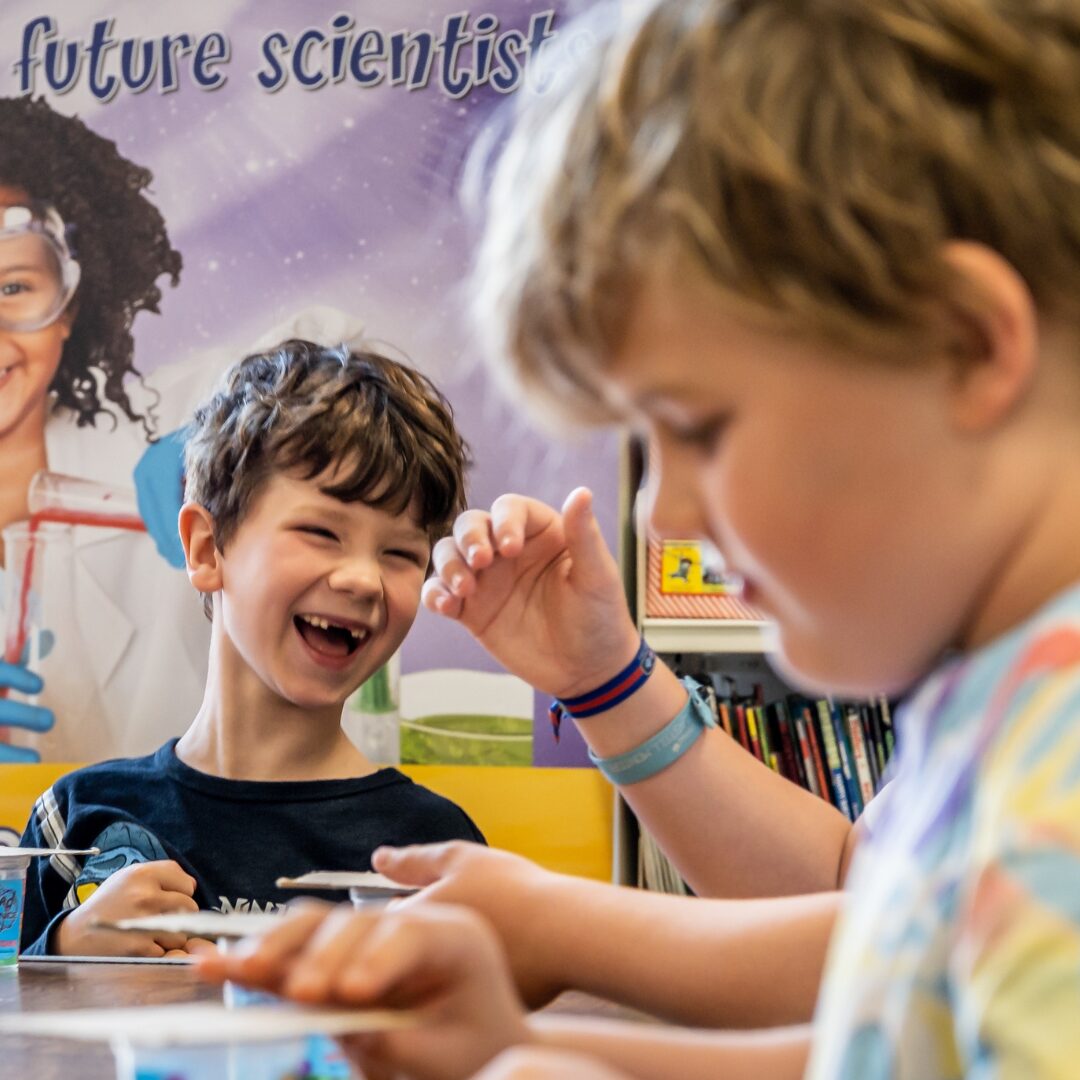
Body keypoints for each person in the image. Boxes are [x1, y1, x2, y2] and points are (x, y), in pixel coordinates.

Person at [203, 0, 1080, 1077]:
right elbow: (888, 1015)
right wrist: (518, 1047)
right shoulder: (1000, 703)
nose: (664, 515)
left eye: (699, 427)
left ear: (966, 343)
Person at [18, 338, 484, 958]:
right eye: (322, 532)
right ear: (208, 549)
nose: (362, 580)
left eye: (400, 554)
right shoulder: (73, 819)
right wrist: (65, 950)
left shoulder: (434, 850)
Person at [0, 94, 202, 764]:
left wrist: (227, 430)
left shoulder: (148, 440)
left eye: (13, 289)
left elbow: (353, 352)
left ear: (69, 306)